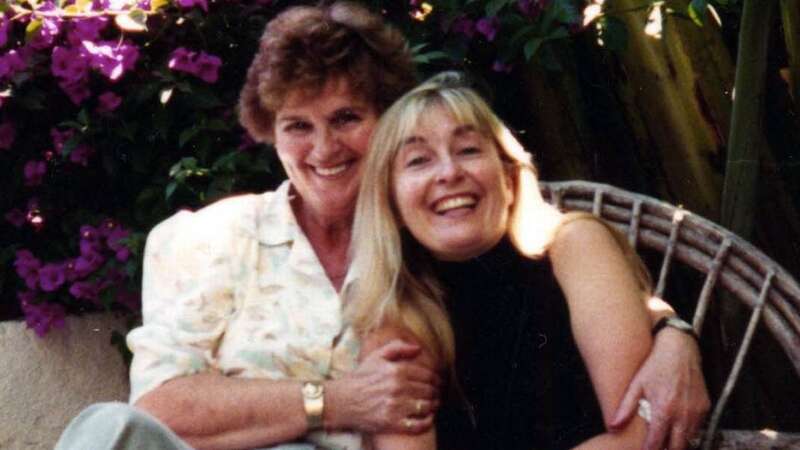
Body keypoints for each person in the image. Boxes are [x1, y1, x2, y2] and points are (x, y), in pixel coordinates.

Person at [54, 3, 707, 450]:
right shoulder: (209, 240)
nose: (323, 148)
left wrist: (674, 332)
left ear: (388, 125)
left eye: (346, 118)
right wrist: (334, 402)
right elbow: (158, 410)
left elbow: (551, 262)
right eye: (297, 126)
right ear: (268, 135)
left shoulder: (413, 251)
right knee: (108, 431)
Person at [345, 72, 704, 449]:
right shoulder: (397, 312)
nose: (449, 173)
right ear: (392, 203)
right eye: (418, 160)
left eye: (468, 150)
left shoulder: (574, 246)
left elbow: (637, 435)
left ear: (509, 175)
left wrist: (675, 333)